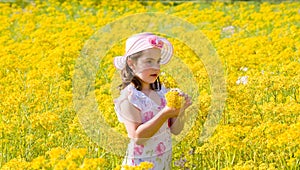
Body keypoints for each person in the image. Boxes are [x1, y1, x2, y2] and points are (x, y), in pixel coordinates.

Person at [113, 32, 192, 169]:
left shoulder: (162, 91)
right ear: (131, 64)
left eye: (158, 61)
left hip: (162, 162)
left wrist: (180, 110)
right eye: (149, 61)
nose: (156, 67)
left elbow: (176, 129)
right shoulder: (128, 97)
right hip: (139, 165)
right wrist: (166, 113)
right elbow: (138, 138)